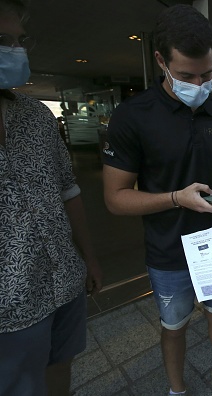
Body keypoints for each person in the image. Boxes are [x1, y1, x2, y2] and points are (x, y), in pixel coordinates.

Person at [102, 5, 212, 396]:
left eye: (206, 74)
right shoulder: (132, 117)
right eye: (187, 75)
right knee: (174, 324)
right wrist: (175, 198)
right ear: (161, 61)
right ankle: (177, 390)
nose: (199, 83)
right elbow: (115, 199)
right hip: (168, 248)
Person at [0, 0, 102, 394]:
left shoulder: (37, 115)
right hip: (10, 304)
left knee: (61, 366)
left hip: (64, 279)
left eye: (19, 40)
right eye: (2, 40)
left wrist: (89, 258)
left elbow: (68, 190)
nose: (15, 50)